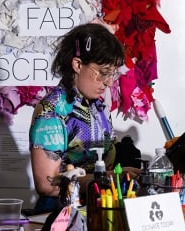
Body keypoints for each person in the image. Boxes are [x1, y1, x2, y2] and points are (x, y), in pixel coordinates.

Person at [29, 23, 139, 214]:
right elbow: (47, 185)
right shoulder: (52, 111)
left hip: (98, 207)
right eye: (104, 72)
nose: (110, 82)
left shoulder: (98, 107)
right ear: (78, 65)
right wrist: (111, 177)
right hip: (61, 214)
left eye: (113, 73)